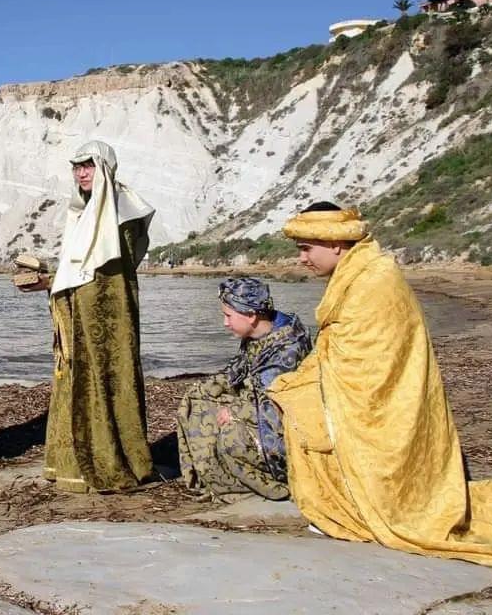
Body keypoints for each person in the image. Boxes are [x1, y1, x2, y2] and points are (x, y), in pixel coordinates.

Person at [267, 202, 492, 568]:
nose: (301, 259)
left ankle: (489, 503)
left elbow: (374, 357)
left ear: (335, 244)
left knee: (309, 414)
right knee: (296, 397)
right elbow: (346, 344)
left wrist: (307, 384)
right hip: (377, 387)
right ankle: (352, 508)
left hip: (383, 394)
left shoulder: (373, 280)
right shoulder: (360, 273)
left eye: (305, 248)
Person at [18, 140, 156, 493]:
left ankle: (114, 461)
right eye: (77, 166)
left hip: (109, 315)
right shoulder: (83, 212)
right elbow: (79, 268)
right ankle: (72, 465)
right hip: (80, 310)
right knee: (74, 379)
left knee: (108, 378)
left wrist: (60, 284)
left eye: (88, 165)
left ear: (105, 168)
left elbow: (108, 272)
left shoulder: (123, 211)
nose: (81, 172)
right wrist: (50, 282)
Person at [176, 277, 311, 502]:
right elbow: (238, 369)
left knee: (231, 434)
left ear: (251, 315)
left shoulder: (287, 348)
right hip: (255, 404)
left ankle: (265, 483)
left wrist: (235, 412)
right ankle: (210, 475)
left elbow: (275, 403)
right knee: (196, 397)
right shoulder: (257, 335)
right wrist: (211, 387)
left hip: (281, 430)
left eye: (229, 316)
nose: (225, 323)